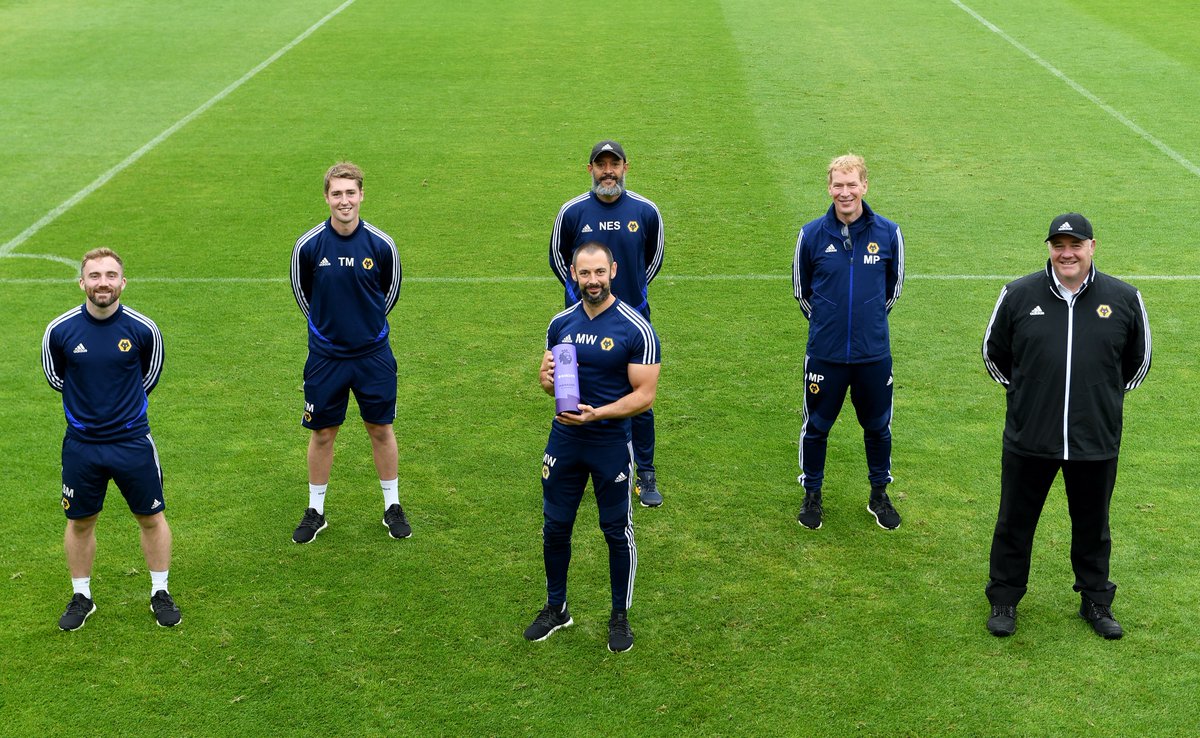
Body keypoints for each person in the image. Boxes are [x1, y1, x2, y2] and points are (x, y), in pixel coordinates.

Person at [982, 213, 1151, 639]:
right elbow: (993, 353)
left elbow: (1138, 362)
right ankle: (1005, 598)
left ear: (1092, 247)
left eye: (1075, 245)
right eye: (1059, 245)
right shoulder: (1019, 294)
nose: (1067, 253)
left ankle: (1096, 601)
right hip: (1030, 437)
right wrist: (1025, 396)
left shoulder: (1124, 298)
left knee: (1093, 525)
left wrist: (1103, 401)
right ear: (1050, 249)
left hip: (1095, 440)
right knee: (1014, 522)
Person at [525, 242, 661, 653]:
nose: (593, 281)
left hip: (610, 442)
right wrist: (545, 379)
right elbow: (548, 381)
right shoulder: (560, 323)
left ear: (613, 270)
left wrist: (597, 414)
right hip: (564, 439)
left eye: (599, 272)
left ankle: (619, 616)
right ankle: (556, 608)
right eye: (585, 274)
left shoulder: (636, 328)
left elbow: (645, 396)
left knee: (616, 532)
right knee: (555, 527)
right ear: (573, 273)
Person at [42, 248, 180, 630]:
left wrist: (121, 410)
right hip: (82, 446)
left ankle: (159, 591)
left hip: (133, 442)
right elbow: (56, 378)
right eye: (95, 276)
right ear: (82, 282)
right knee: (81, 521)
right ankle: (82, 596)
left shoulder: (142, 329)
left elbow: (150, 376)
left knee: (151, 516)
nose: (103, 283)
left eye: (110, 275)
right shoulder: (60, 330)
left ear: (123, 282)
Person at [290, 161, 410, 543]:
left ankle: (392, 505)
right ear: (327, 197)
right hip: (326, 357)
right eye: (336, 193)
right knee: (323, 433)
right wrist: (331, 330)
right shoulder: (308, 246)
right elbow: (303, 294)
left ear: (361, 195)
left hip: (373, 355)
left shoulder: (381, 243)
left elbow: (389, 293)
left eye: (350, 192)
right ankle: (316, 510)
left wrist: (365, 326)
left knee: (380, 428)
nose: (344, 200)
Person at [549, 139, 667, 507]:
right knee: (576, 389)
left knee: (639, 397)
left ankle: (644, 470)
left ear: (625, 167)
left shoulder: (646, 211)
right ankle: (579, 462)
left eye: (614, 164)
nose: (608, 171)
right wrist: (584, 300)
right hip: (581, 321)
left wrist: (624, 302)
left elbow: (653, 262)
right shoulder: (572, 212)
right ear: (590, 170)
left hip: (632, 321)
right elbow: (558, 260)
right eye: (600, 165)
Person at [791, 153, 905, 530]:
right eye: (838, 185)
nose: (845, 192)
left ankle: (879, 494)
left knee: (877, 427)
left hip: (873, 355)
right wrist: (830, 322)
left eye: (851, 184)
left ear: (865, 186)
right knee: (817, 427)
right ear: (829, 188)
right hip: (825, 354)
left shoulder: (889, 233)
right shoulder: (810, 235)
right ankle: (812, 494)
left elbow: (893, 290)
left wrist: (866, 322)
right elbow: (802, 291)